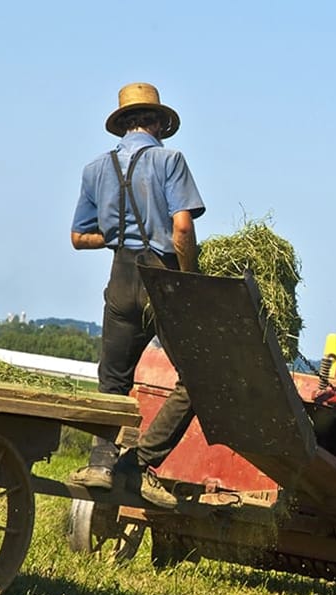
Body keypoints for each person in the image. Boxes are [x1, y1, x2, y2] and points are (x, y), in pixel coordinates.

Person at [66, 82, 206, 509]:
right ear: (159, 123)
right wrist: (190, 279)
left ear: (123, 125)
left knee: (112, 379)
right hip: (162, 278)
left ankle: (102, 463)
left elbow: (77, 237)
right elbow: (181, 228)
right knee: (198, 379)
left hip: (121, 276)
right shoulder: (170, 160)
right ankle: (140, 464)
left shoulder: (95, 169)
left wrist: (112, 235)